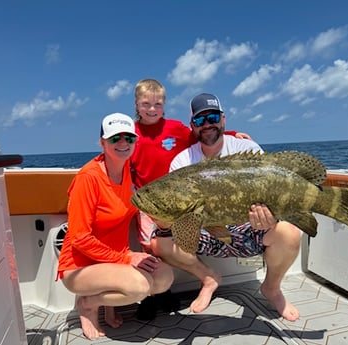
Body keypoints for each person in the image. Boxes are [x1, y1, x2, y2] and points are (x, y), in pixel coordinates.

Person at [150, 93, 302, 322]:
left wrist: (271, 217)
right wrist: (162, 222)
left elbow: (271, 192)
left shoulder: (246, 148)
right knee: (159, 243)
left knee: (289, 234)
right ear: (193, 126)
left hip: (247, 228)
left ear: (223, 119)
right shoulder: (182, 161)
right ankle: (209, 278)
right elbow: (178, 214)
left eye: (212, 117)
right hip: (205, 231)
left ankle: (271, 288)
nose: (207, 124)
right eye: (200, 121)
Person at [129, 79, 254, 319]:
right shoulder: (131, 133)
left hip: (178, 198)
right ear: (137, 104)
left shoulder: (175, 128)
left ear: (164, 104)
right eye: (146, 104)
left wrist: (230, 134)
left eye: (157, 103)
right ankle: (152, 295)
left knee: (168, 241)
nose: (152, 109)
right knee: (148, 247)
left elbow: (204, 133)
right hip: (148, 198)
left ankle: (168, 289)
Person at [57, 113, 174, 340]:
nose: (123, 143)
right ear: (102, 142)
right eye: (115, 138)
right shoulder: (88, 178)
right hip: (78, 266)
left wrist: (230, 134)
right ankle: (89, 304)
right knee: (140, 287)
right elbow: (80, 238)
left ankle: (108, 305)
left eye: (129, 138)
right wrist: (128, 258)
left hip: (113, 260)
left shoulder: (130, 170)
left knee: (164, 277)